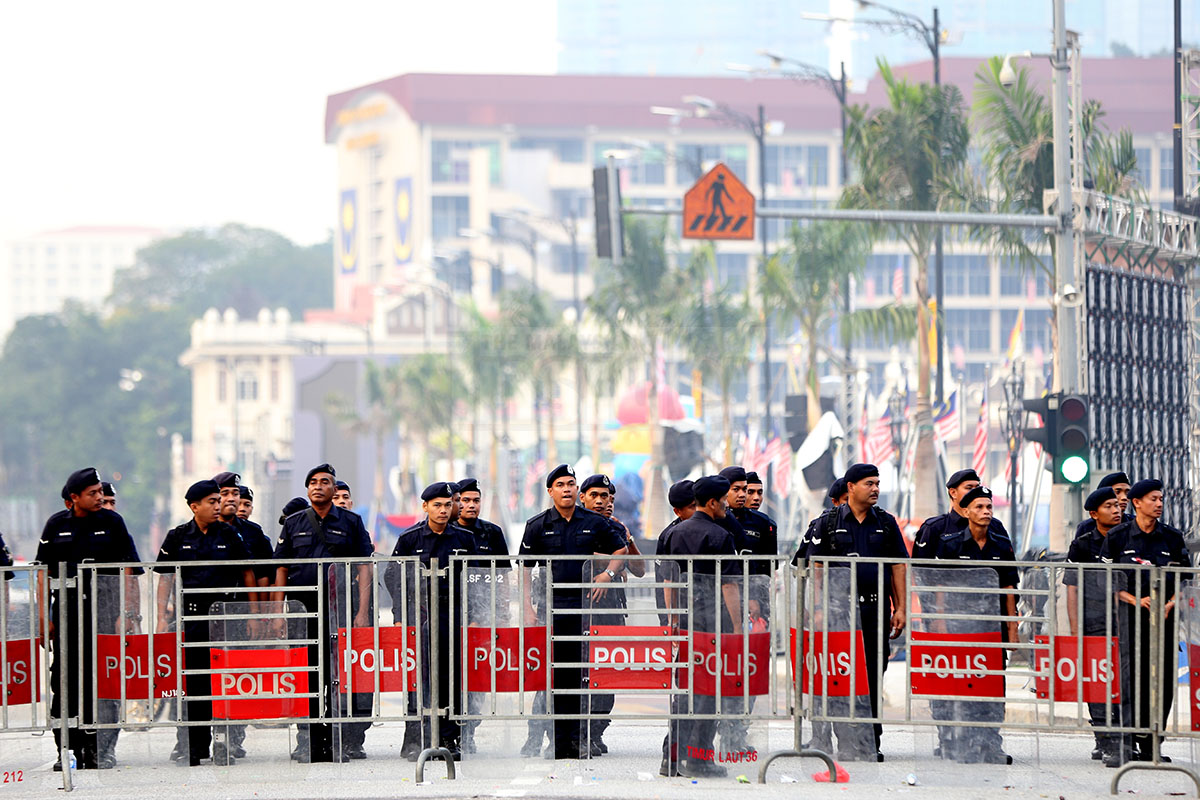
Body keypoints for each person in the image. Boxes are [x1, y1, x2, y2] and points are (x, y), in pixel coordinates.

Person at [518, 464, 628, 759]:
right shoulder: (537, 525)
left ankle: (577, 740)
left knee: (581, 678)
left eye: (571, 484)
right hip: (551, 611)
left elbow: (620, 552)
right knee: (552, 679)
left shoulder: (594, 522)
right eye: (561, 484)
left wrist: (608, 575)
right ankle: (553, 740)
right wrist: (528, 609)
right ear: (550, 491)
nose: (567, 489)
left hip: (586, 611)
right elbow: (525, 569)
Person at [36, 468, 142, 771]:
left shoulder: (113, 523)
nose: (99, 498)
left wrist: (128, 613)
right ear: (74, 498)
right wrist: (46, 619)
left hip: (105, 616)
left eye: (100, 492)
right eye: (92, 493)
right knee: (65, 683)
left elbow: (130, 570)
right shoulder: (56, 525)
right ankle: (67, 750)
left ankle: (101, 748)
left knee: (104, 685)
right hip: (68, 618)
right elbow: (43, 574)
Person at [802, 463, 906, 761]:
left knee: (872, 676)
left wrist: (900, 607)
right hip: (838, 612)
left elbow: (898, 565)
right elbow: (817, 567)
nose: (875, 489)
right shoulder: (828, 522)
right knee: (839, 676)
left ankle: (869, 742)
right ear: (851, 487)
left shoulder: (886, 523)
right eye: (868, 483)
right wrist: (819, 607)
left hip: (874, 610)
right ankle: (845, 740)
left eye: (877, 483)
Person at [273, 464, 373, 763]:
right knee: (307, 674)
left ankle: (337, 742)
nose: (318, 486)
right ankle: (309, 741)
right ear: (307, 490)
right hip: (303, 609)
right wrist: (278, 611)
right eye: (313, 482)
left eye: (325, 482)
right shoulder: (293, 523)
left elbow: (364, 566)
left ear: (334, 489)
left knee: (338, 676)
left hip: (339, 607)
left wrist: (362, 611)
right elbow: (281, 567)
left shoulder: (352, 522)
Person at [155, 480, 258, 766]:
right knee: (194, 684)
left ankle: (224, 743)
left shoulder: (230, 533)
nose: (217, 506)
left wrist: (252, 614)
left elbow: (247, 573)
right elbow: (165, 578)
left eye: (218, 500)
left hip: (225, 618)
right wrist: (163, 615)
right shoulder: (177, 537)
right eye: (211, 501)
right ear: (194, 506)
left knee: (224, 683)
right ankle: (194, 746)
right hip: (192, 618)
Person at [926, 485, 1018, 765]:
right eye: (979, 507)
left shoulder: (1000, 542)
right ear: (965, 511)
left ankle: (991, 743)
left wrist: (1012, 629)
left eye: (989, 507)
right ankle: (959, 743)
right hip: (958, 626)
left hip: (991, 627)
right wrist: (940, 621)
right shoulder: (951, 543)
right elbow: (939, 585)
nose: (986, 512)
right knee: (958, 685)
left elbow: (1009, 586)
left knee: (991, 687)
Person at [1102, 478, 1190, 763]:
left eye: (1161, 499)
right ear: (1137, 503)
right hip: (1128, 620)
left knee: (1162, 681)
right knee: (1130, 680)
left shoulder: (1172, 538)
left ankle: (1153, 741)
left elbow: (1185, 579)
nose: (1159, 504)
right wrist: (1135, 600)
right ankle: (1127, 742)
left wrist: (1168, 604)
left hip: (1163, 621)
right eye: (1153, 499)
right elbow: (1105, 580)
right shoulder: (1118, 537)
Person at [661, 475, 744, 778]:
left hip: (684, 621)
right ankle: (698, 757)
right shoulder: (720, 536)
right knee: (709, 690)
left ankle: (671, 756)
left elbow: (668, 581)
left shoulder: (674, 534)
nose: (728, 504)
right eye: (724, 499)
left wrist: (672, 619)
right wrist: (736, 627)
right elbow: (729, 586)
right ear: (712, 503)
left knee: (683, 688)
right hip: (712, 624)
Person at [388, 482, 477, 761]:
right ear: (425, 506)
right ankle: (417, 740)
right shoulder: (410, 539)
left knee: (452, 678)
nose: (442, 510)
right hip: (420, 615)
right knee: (420, 680)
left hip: (452, 615)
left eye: (447, 505)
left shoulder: (463, 538)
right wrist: (402, 616)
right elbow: (393, 577)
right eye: (436, 505)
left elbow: (474, 578)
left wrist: (473, 616)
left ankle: (451, 739)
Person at [210, 472, 274, 760]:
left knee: (237, 677)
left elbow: (262, 577)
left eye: (236, 493)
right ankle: (192, 740)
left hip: (241, 615)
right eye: (225, 493)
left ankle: (232, 738)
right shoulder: (192, 532)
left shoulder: (253, 532)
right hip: (205, 618)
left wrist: (260, 615)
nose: (232, 498)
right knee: (203, 679)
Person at [1065, 486, 1130, 767]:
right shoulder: (1082, 543)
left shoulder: (1129, 537)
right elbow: (1071, 587)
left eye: (1118, 505)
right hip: (1093, 620)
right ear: (1094, 514)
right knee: (1099, 682)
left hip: (1126, 621)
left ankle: (1128, 739)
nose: (1116, 510)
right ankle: (1105, 741)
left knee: (1125, 682)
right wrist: (1075, 629)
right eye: (1109, 506)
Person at [792, 477, 848, 755]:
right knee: (821, 677)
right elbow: (807, 567)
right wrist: (813, 608)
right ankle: (820, 737)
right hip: (826, 613)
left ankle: (853, 739)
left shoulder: (880, 522)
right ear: (838, 501)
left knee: (854, 679)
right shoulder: (823, 525)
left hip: (858, 614)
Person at [455, 477, 510, 754]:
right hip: (451, 618)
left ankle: (469, 731)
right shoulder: (446, 530)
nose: (471, 505)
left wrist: (502, 614)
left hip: (484, 619)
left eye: (475, 500)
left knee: (477, 679)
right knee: (449, 677)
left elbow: (502, 577)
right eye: (465, 500)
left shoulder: (492, 533)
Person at [655, 479, 696, 776]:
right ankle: (673, 753)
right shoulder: (673, 535)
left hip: (697, 622)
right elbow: (669, 583)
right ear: (679, 510)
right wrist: (671, 622)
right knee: (683, 692)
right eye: (693, 506)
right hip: (682, 622)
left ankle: (694, 753)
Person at [912, 469, 1010, 560]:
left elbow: (1009, 572)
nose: (975, 492)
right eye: (969, 488)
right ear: (953, 493)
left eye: (977, 487)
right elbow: (920, 571)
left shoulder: (995, 526)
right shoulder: (934, 528)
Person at [1074, 472, 1132, 540]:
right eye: (1117, 492)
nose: (1124, 497)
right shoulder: (1087, 527)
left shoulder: (1134, 524)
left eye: (1127, 493)